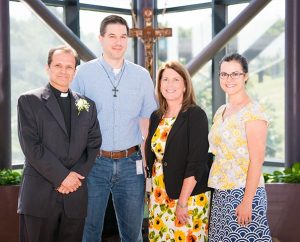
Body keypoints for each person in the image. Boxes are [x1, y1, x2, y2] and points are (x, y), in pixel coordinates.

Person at [71, 15, 157, 242]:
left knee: (133, 235)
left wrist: (149, 167)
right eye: (112, 36)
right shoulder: (83, 74)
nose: (118, 42)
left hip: (131, 164)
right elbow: (72, 119)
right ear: (101, 39)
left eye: (123, 36)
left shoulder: (141, 76)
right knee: (90, 232)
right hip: (93, 164)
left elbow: (147, 122)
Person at [17, 45, 102, 242]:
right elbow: (31, 146)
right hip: (39, 197)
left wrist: (74, 179)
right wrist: (63, 177)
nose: (63, 71)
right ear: (48, 68)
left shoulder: (88, 105)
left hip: (74, 198)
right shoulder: (29, 101)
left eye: (69, 67)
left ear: (75, 71)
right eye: (58, 65)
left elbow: (94, 144)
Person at [208, 53, 272, 241]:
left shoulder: (253, 111)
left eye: (235, 74)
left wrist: (247, 201)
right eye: (224, 74)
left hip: (244, 192)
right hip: (221, 192)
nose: (229, 79)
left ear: (245, 76)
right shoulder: (221, 111)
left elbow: (257, 159)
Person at [145, 61, 211, 241]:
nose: (169, 84)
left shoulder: (195, 115)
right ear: (159, 85)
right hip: (160, 195)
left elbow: (196, 162)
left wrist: (182, 202)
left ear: (185, 85)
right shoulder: (156, 116)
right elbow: (153, 158)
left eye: (175, 79)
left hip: (187, 196)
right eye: (165, 79)